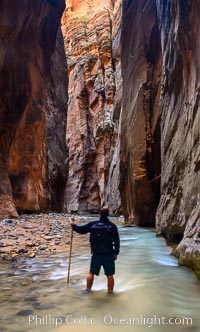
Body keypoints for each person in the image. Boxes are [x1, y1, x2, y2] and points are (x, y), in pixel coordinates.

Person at [70, 207, 120, 293]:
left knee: (91, 273)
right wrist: (116, 253)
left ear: (99, 214)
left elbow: (81, 230)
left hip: (96, 254)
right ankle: (110, 293)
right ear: (108, 214)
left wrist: (73, 226)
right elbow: (116, 241)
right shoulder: (112, 226)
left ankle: (88, 290)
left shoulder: (92, 224)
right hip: (108, 254)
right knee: (110, 275)